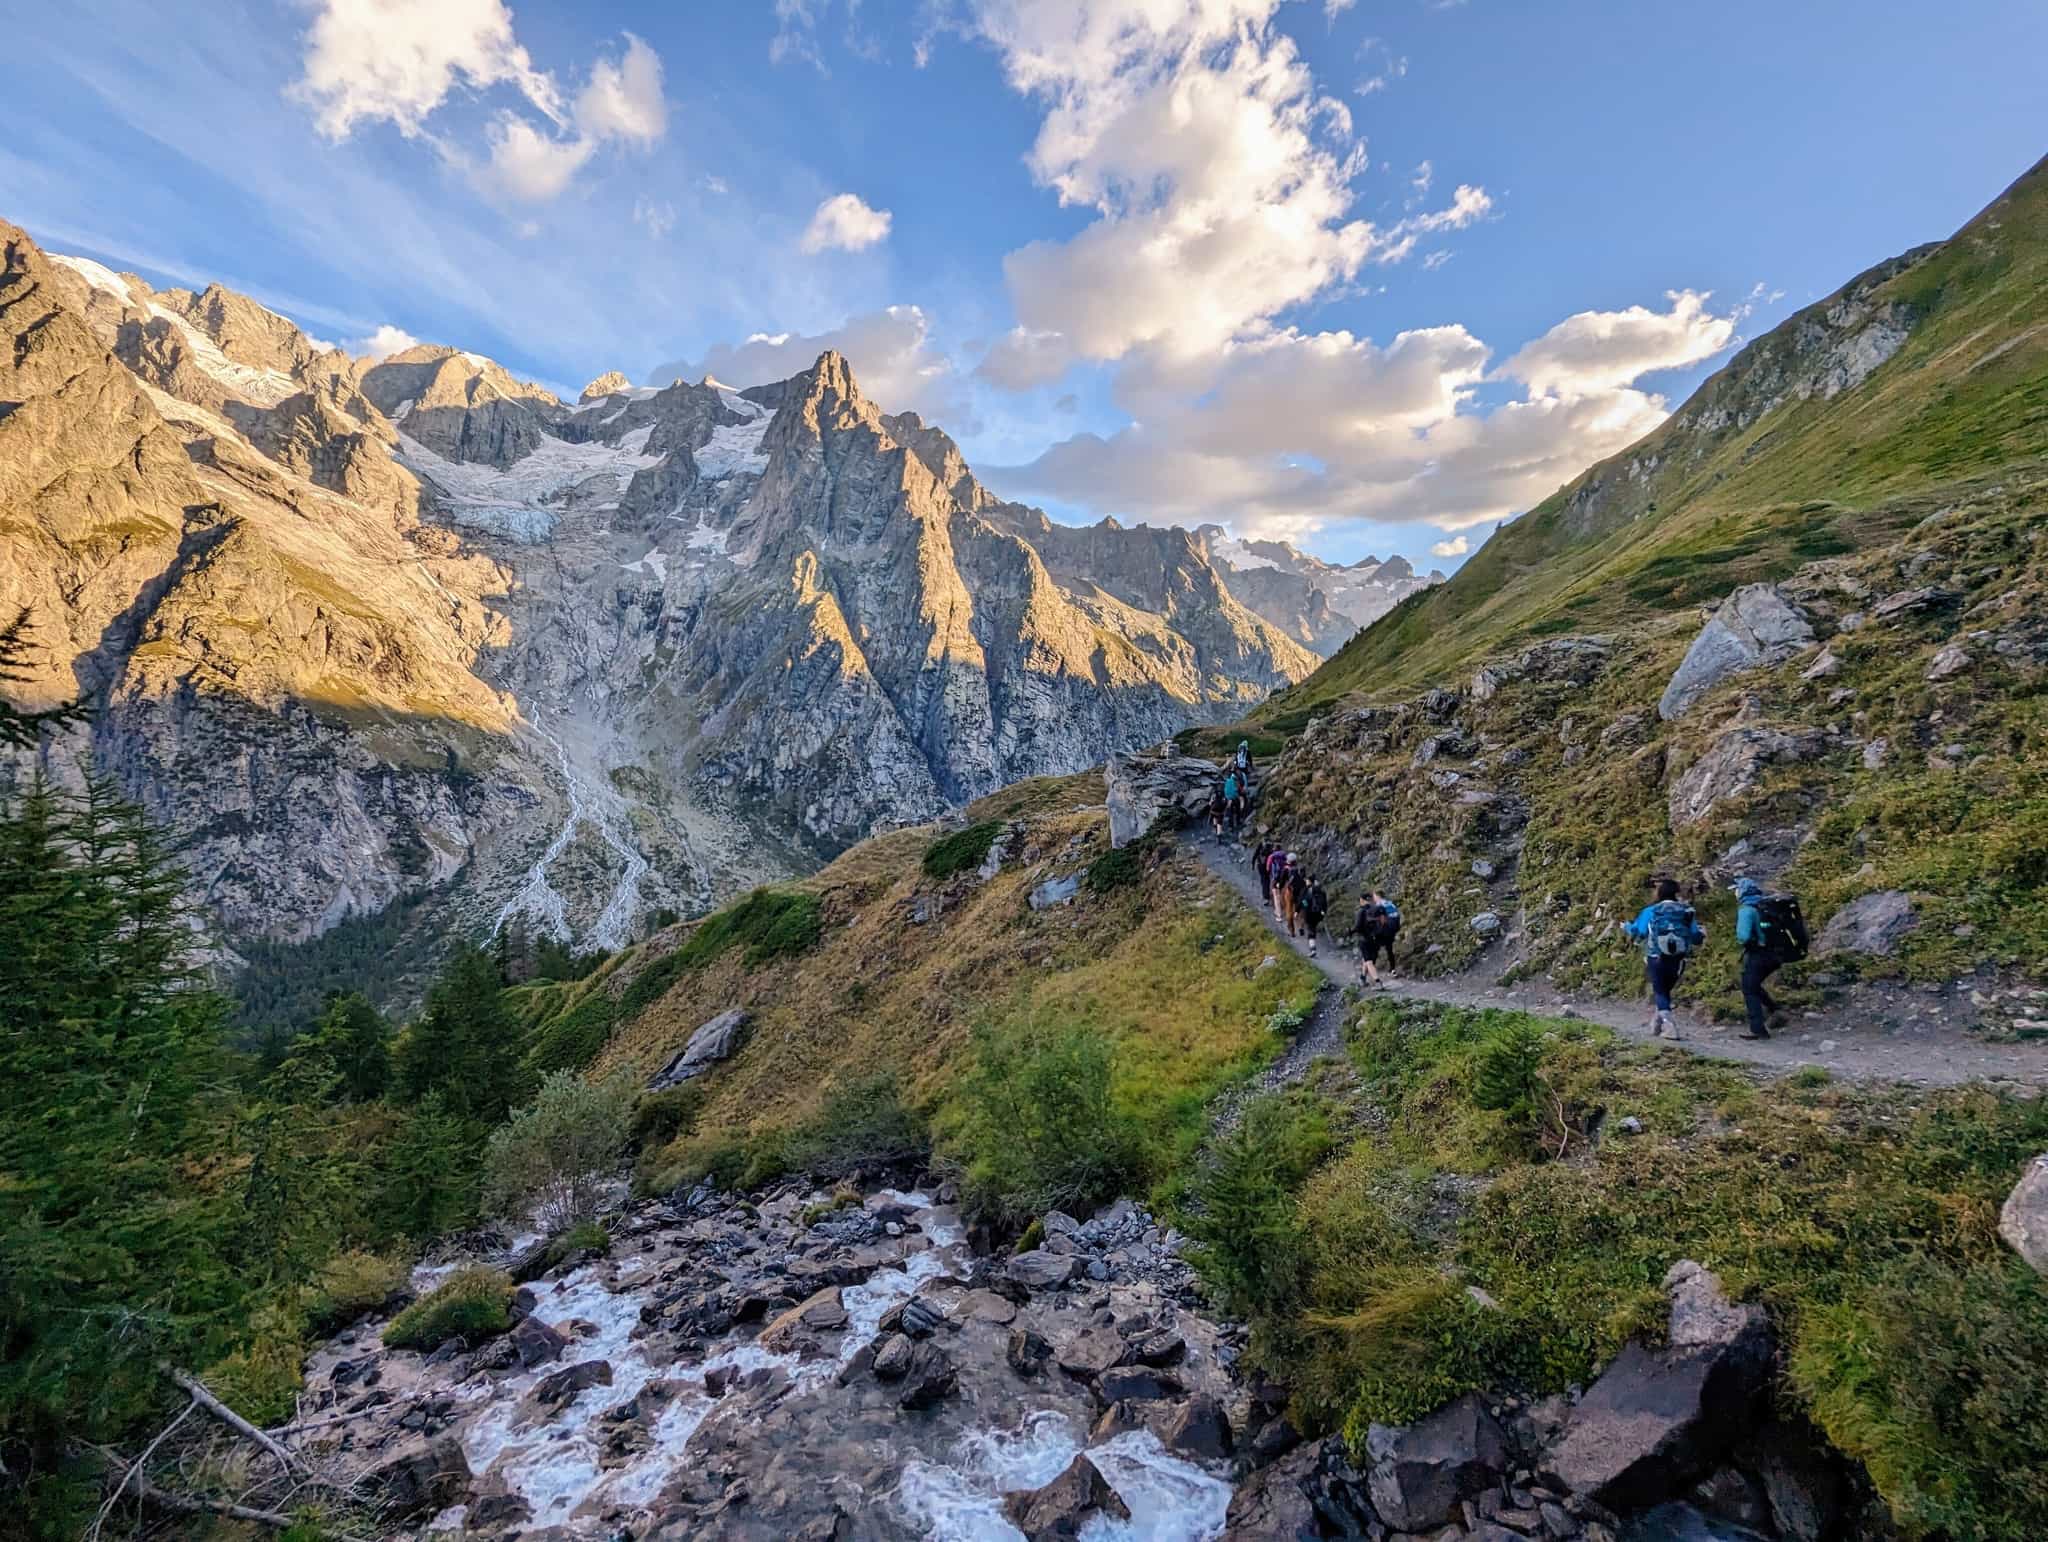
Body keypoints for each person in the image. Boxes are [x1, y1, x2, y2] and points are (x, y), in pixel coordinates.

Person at [1623, 878, 1705, 1040]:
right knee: (1665, 990)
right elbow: (1696, 936)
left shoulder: (1651, 911)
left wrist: (1626, 927)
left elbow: (1640, 932)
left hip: (1656, 956)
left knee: (1659, 990)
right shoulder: (1686, 911)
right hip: (1679, 958)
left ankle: (1669, 1026)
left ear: (1660, 893)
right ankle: (1657, 1024)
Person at [1732, 878, 1805, 1040]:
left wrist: (1751, 941)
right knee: (1753, 984)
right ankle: (1775, 1010)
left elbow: (1743, 936)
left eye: (1736, 889)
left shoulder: (1747, 910)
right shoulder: (1767, 906)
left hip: (1759, 954)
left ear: (1742, 891)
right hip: (1778, 954)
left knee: (1749, 987)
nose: (1735, 893)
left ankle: (1758, 1029)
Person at [1355, 889, 1398, 986]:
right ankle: (1362, 977)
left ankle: (1377, 982)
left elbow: (1358, 926)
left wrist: (1351, 931)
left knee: (1369, 961)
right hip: (1379, 936)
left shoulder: (1363, 911)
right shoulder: (1381, 907)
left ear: (1361, 900)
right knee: (1367, 958)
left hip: (1365, 938)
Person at [1300, 874, 1329, 957]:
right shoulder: (1321, 891)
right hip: (1319, 914)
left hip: (1310, 914)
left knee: (1310, 930)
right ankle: (1314, 943)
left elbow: (1304, 901)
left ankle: (1313, 949)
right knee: (1313, 928)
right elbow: (1325, 903)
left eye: (1307, 880)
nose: (1306, 881)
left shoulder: (1308, 890)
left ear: (1310, 881)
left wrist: (1305, 908)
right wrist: (1323, 911)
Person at [1253, 839, 1274, 906]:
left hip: (1261, 867)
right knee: (1267, 881)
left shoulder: (1261, 845)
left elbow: (1255, 854)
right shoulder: (1270, 848)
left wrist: (1253, 864)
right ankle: (1267, 895)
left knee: (1263, 881)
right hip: (1268, 867)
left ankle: (1266, 897)